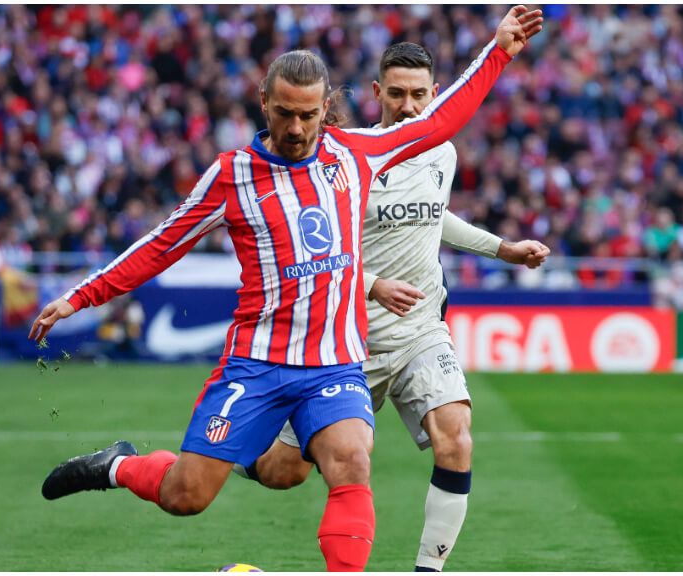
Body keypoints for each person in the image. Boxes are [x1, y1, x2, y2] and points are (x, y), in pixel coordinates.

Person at [29, 6, 544, 572]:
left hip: (335, 363)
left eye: (307, 115)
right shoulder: (232, 174)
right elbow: (161, 243)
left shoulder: (354, 156)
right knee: (188, 495)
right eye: (284, 114)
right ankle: (119, 466)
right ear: (263, 103)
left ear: (327, 110)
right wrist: (81, 295)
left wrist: (499, 51)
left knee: (351, 459)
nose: (296, 129)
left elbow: (439, 121)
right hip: (256, 362)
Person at [234, 42, 550, 572]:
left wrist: (502, 248)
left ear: (434, 94)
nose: (409, 106)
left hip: (420, 331)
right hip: (347, 342)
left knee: (457, 436)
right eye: (398, 94)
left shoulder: (441, 150)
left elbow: (434, 216)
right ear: (378, 93)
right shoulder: (343, 159)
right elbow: (315, 247)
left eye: (420, 95)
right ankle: (221, 460)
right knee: (281, 471)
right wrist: (375, 282)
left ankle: (427, 570)